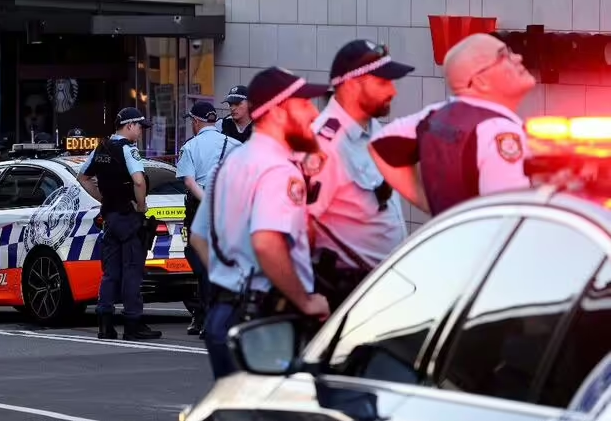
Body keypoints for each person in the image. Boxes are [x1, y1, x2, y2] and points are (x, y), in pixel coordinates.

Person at [187, 67, 332, 380]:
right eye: (303, 104)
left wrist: (232, 281)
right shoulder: (279, 170)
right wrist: (306, 301)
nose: (311, 112)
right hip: (266, 322)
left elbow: (199, 238)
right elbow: (267, 243)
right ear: (279, 111)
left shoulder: (230, 164)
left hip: (225, 315)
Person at [368, 33, 536, 216]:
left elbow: (380, 145)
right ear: (480, 81)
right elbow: (513, 219)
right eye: (504, 55)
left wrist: (438, 211)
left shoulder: (433, 115)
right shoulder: (499, 132)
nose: (518, 58)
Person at [301, 40, 414, 309]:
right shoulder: (325, 145)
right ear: (353, 84)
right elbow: (298, 230)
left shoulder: (374, 130)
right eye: (383, 82)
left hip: (382, 291)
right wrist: (305, 300)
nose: (393, 91)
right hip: (346, 294)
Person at [77, 107, 162, 341]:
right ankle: (133, 324)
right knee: (132, 271)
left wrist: (103, 198)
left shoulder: (101, 148)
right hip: (127, 216)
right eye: (139, 127)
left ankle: (105, 325)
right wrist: (142, 206)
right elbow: (138, 180)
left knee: (110, 273)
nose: (141, 132)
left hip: (110, 217)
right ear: (129, 126)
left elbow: (83, 177)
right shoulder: (128, 149)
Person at [175, 101, 242, 337]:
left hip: (200, 207)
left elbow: (189, 182)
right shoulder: (234, 144)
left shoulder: (190, 147)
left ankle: (208, 317)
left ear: (196, 121)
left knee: (202, 265)